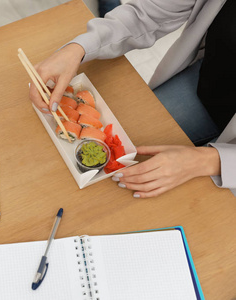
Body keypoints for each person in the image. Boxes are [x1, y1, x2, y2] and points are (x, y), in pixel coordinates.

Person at [29, 0, 236, 198]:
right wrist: (79, 48)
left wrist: (212, 160)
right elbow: (147, 14)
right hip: (209, 84)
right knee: (125, 155)